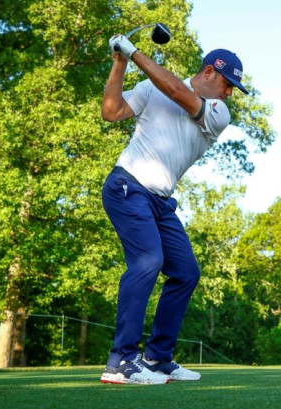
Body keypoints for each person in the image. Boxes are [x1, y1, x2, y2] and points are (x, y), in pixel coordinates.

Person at [99, 33, 248, 385]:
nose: (230, 93)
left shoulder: (218, 112)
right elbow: (111, 112)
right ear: (211, 72)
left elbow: (180, 94)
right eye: (229, 84)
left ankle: (157, 357)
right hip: (128, 187)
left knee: (185, 272)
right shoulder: (152, 88)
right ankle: (120, 360)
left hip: (161, 202)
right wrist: (119, 64)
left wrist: (134, 53)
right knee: (148, 261)